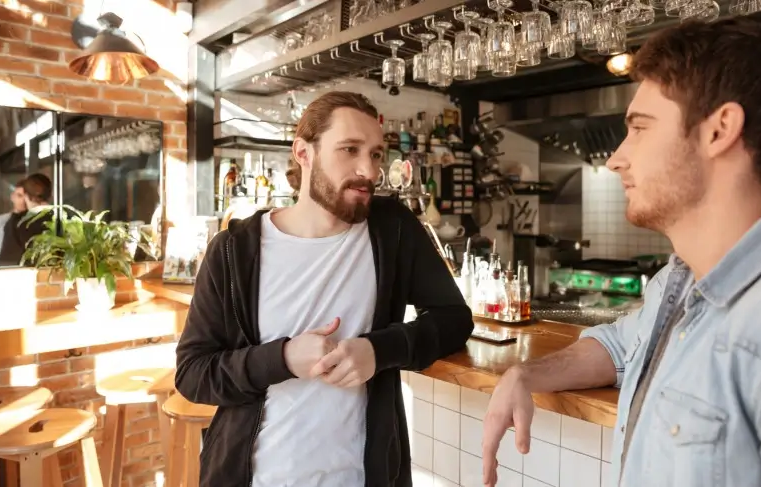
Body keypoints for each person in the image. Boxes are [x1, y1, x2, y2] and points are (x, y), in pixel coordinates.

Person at [482, 12, 761, 487]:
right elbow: (617, 347)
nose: (616, 158)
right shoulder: (677, 286)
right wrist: (525, 375)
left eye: (640, 127)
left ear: (719, 130)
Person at [175, 91, 474, 487]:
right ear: (304, 152)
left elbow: (454, 319)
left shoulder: (392, 230)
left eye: (376, 154)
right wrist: (281, 357)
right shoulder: (234, 251)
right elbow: (194, 373)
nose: (368, 170)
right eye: (349, 150)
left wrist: (377, 350)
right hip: (252, 477)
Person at [0, 173, 52, 266]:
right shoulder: (61, 218)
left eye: (21, 195)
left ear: (27, 196)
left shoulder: (21, 224)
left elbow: (8, 261)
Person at [0, 180, 27, 259]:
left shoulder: (31, 224)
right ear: (12, 196)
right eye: (19, 195)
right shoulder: (1, 221)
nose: (23, 200)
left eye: (25, 197)